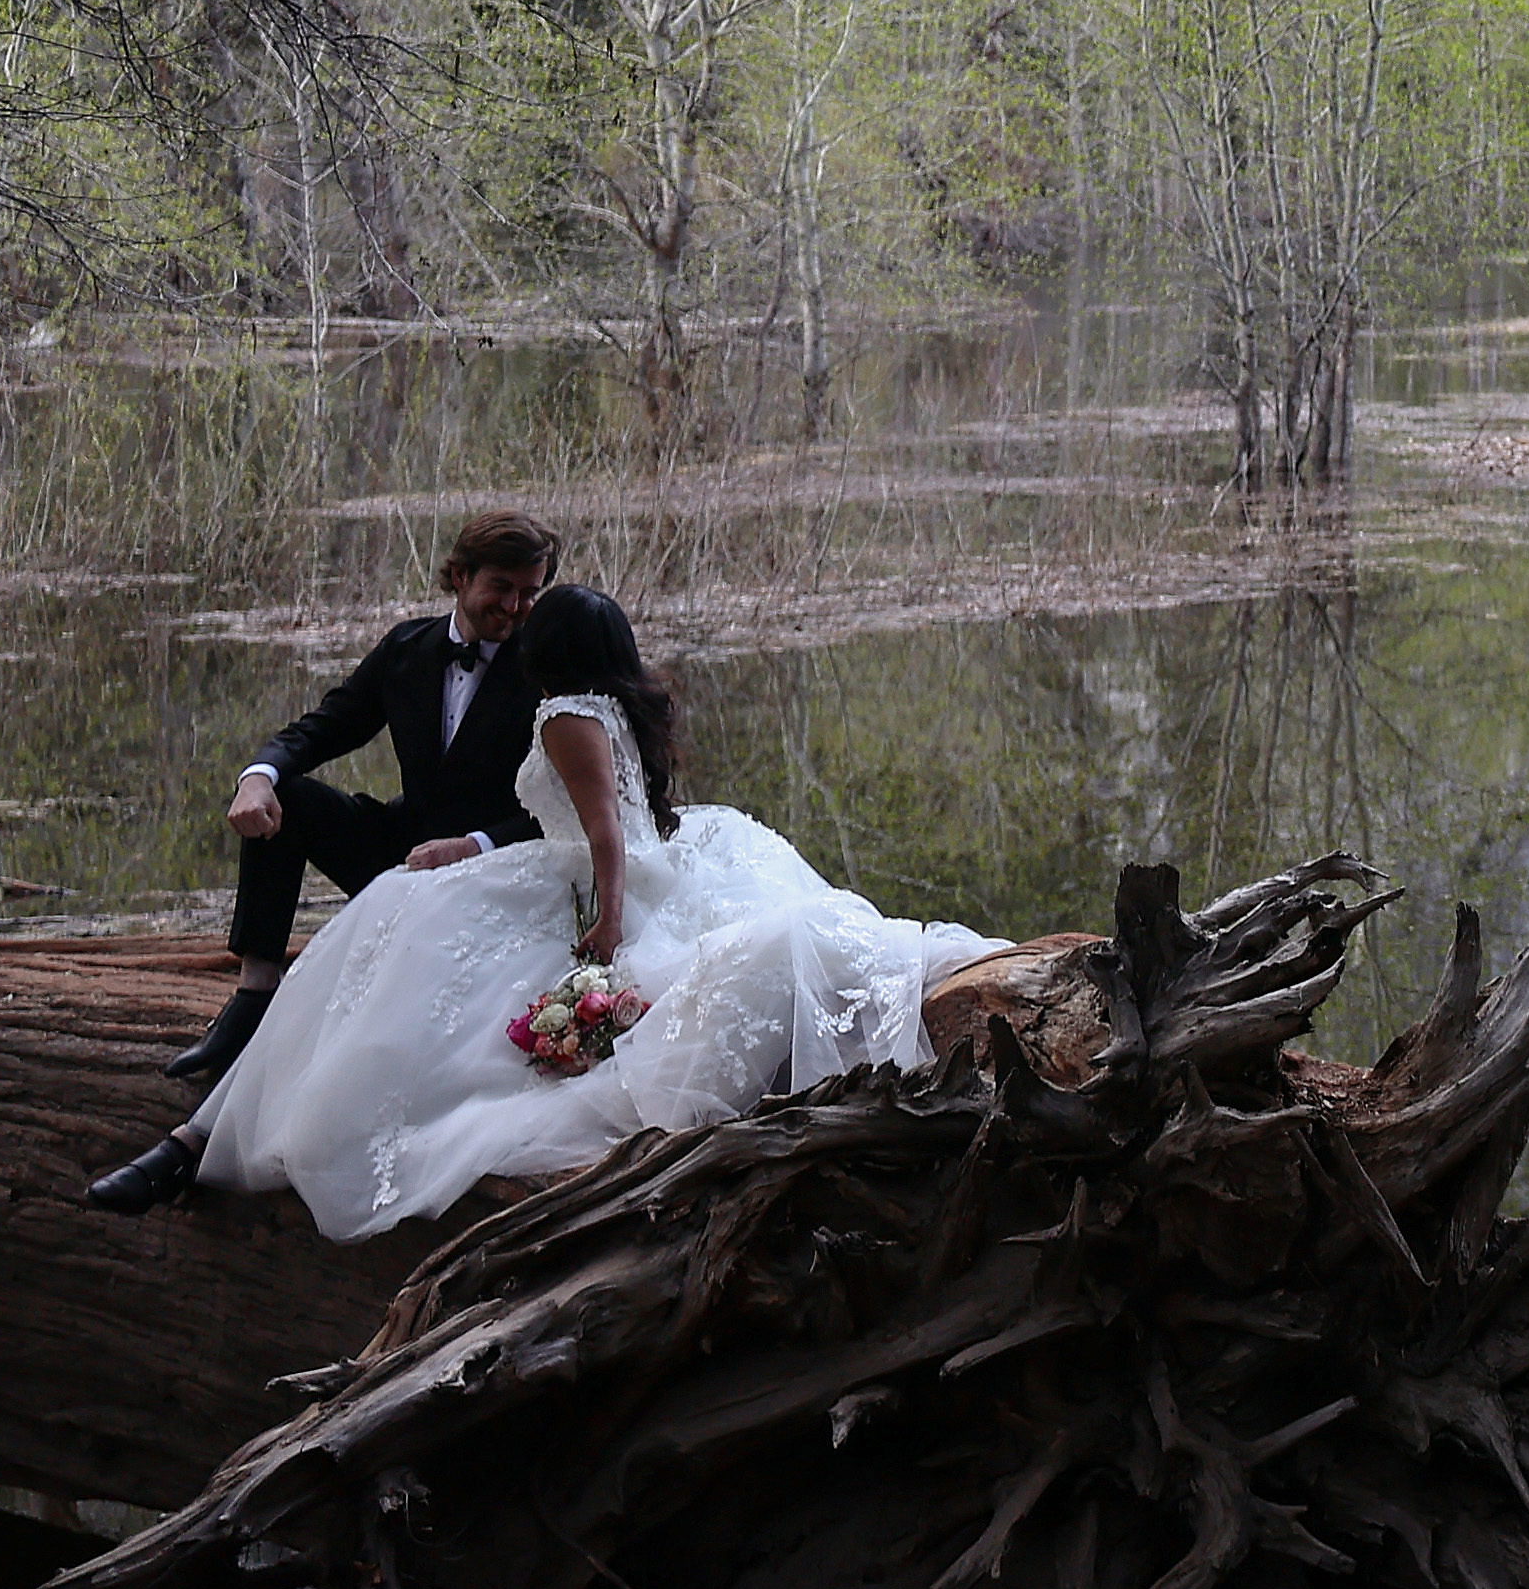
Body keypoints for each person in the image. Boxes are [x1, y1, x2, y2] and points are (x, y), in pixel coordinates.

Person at [85, 587, 995, 1236]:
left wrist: (604, 921)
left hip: (592, 876)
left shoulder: (563, 708)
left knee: (397, 928)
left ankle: (212, 1130)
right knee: (399, 910)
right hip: (592, 861)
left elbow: (602, 832)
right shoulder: (614, 702)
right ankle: (220, 1097)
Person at [165, 509, 561, 1094]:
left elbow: (564, 810)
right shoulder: (407, 648)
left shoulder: (549, 668)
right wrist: (258, 776)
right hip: (405, 857)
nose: (515, 608)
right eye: (500, 588)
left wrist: (476, 845)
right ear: (458, 577)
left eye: (530, 593)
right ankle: (253, 996)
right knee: (290, 799)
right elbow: (326, 727)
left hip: (499, 875)